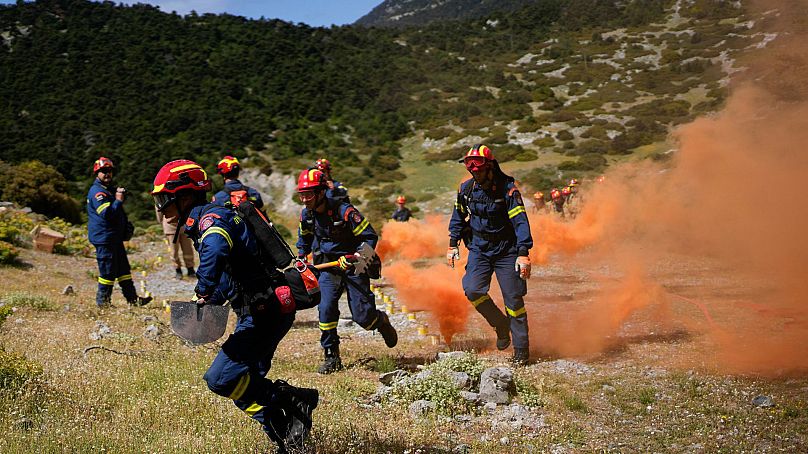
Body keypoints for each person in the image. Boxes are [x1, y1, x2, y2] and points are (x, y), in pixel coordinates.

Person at [151, 159, 318, 452]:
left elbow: (216, 249)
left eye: (165, 199)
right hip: (259, 310)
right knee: (245, 388)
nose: (162, 208)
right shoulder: (207, 218)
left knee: (220, 379)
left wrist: (201, 292)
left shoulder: (210, 219)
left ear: (185, 195)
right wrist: (210, 300)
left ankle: (291, 399)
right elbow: (229, 275)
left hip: (265, 310)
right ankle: (289, 438)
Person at [295, 168, 398, 374]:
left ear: (321, 193)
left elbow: (370, 237)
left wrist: (356, 257)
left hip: (354, 266)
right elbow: (304, 239)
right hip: (328, 268)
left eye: (309, 194)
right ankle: (332, 356)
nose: (305, 199)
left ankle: (381, 321)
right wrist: (300, 257)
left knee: (363, 318)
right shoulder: (307, 215)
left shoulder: (345, 211)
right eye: (302, 194)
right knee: (326, 310)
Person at [447, 144, 533, 365]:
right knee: (473, 289)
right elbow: (458, 217)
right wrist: (452, 244)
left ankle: (521, 350)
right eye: (470, 168)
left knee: (513, 300)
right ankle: (500, 324)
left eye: (478, 167)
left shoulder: (508, 190)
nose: (474, 171)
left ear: (490, 167)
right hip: (479, 249)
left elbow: (520, 222)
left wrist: (523, 252)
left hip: (507, 251)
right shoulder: (466, 190)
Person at [86, 157, 152, 308]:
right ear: (97, 173)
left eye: (109, 171)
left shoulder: (107, 190)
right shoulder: (97, 193)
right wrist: (118, 200)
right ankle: (103, 303)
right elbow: (107, 214)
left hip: (113, 238)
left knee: (123, 270)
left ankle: (133, 300)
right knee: (108, 272)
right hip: (105, 239)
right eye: (103, 171)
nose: (107, 174)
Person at [155, 206, 196, 279]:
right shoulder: (161, 196)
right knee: (174, 251)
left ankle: (190, 269)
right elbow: (159, 215)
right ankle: (178, 270)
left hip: (184, 226)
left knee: (188, 249)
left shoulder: (181, 196)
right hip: (170, 228)